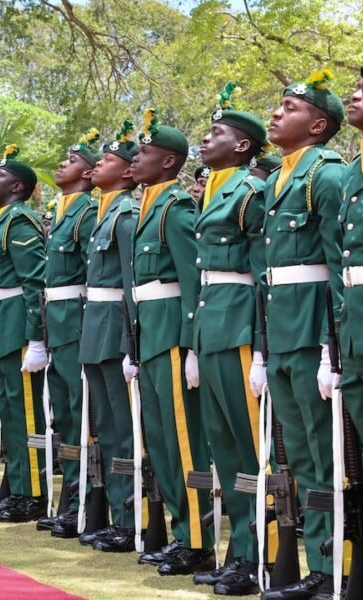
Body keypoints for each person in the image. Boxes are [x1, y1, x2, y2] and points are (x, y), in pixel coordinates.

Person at [257, 70, 346, 597]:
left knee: (326, 451)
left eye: (288, 107)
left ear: (317, 125)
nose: (277, 113)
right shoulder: (277, 178)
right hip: (284, 326)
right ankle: (316, 563)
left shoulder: (326, 174)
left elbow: (338, 263)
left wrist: (330, 346)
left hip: (314, 326)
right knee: (299, 453)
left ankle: (336, 565)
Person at [189, 87, 271, 593]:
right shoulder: (218, 189)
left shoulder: (249, 193)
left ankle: (263, 552)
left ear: (242, 146)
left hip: (240, 325)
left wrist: (261, 348)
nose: (205, 137)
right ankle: (239, 549)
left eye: (217, 132)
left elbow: (262, 274)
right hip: (212, 325)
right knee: (225, 451)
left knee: (250, 449)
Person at [128, 112, 215, 574]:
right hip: (151, 332)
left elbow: (190, 281)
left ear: (167, 161)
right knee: (160, 440)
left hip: (173, 337)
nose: (135, 160)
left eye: (143, 153)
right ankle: (182, 530)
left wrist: (191, 345)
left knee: (184, 441)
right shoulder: (149, 204)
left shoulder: (177, 207)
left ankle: (198, 539)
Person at [0, 145, 49, 523]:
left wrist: (35, 338)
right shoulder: (2, 221)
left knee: (26, 413)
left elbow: (34, 282)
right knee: (11, 411)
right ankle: (19, 485)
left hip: (18, 329)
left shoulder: (20, 221)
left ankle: (33, 490)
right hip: (0, 327)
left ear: (18, 187)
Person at [77, 121, 140, 552]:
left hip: (116, 327)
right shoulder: (104, 213)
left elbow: (133, 283)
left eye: (108, 160)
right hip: (94, 326)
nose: (97, 165)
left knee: (124, 429)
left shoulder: (127, 215)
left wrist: (132, 342)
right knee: (106, 427)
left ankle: (131, 517)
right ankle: (116, 512)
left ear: (128, 172)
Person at [36, 130, 100, 537]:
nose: (62, 164)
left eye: (72, 160)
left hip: (78, 320)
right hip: (58, 323)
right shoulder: (63, 212)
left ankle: (86, 503)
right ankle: (70, 500)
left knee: (83, 416)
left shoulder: (88, 212)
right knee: (65, 416)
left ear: (90, 173)